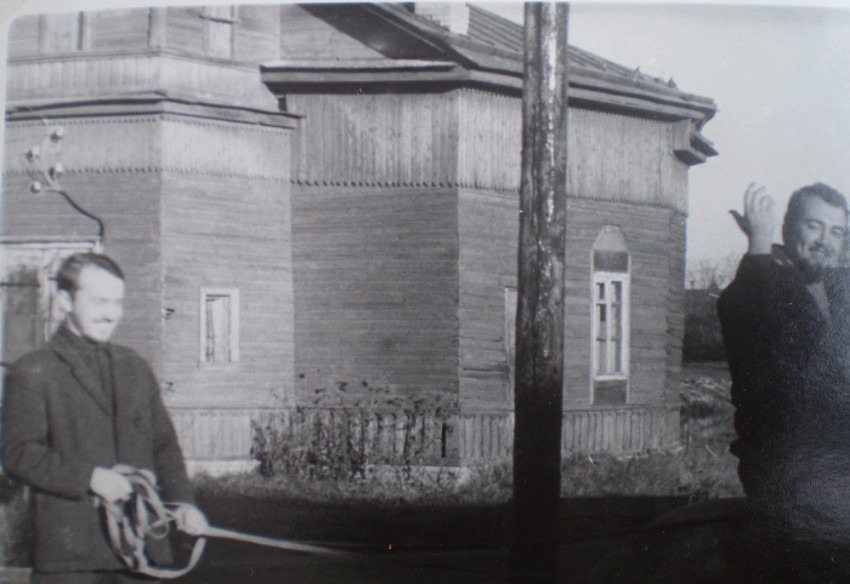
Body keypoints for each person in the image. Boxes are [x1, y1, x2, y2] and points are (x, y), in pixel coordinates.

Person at [1, 253, 208, 583]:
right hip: (71, 559)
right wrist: (89, 478)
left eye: (117, 302)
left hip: (141, 550)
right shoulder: (33, 370)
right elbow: (19, 453)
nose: (111, 314)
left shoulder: (134, 367)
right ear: (65, 300)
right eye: (99, 302)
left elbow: (164, 447)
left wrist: (183, 502)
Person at [718, 182, 850, 582]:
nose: (825, 240)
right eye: (814, 226)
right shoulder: (755, 289)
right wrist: (758, 247)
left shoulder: (837, 292)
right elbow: (753, 313)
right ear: (787, 228)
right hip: (787, 469)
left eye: (836, 231)